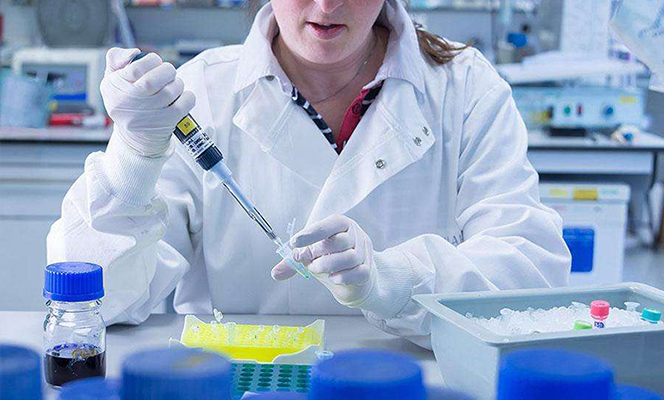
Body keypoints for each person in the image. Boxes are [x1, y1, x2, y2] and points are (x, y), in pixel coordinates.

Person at [47, 0, 570, 347]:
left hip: (413, 380)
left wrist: (395, 280)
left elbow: (529, 276)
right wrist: (135, 156)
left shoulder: (465, 90)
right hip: (238, 380)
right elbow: (96, 302)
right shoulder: (201, 91)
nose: (325, 5)